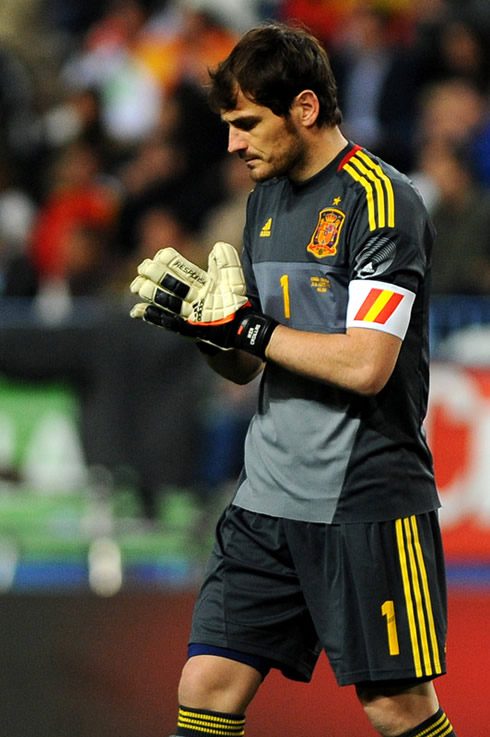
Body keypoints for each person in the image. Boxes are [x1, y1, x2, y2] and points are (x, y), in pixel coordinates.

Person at [130, 22, 458, 737]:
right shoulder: (263, 201)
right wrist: (209, 331)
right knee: (207, 682)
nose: (232, 143)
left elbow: (367, 365)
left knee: (396, 706)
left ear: (305, 108)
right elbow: (249, 361)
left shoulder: (382, 201)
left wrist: (248, 328)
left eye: (247, 123)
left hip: (367, 499)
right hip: (267, 496)